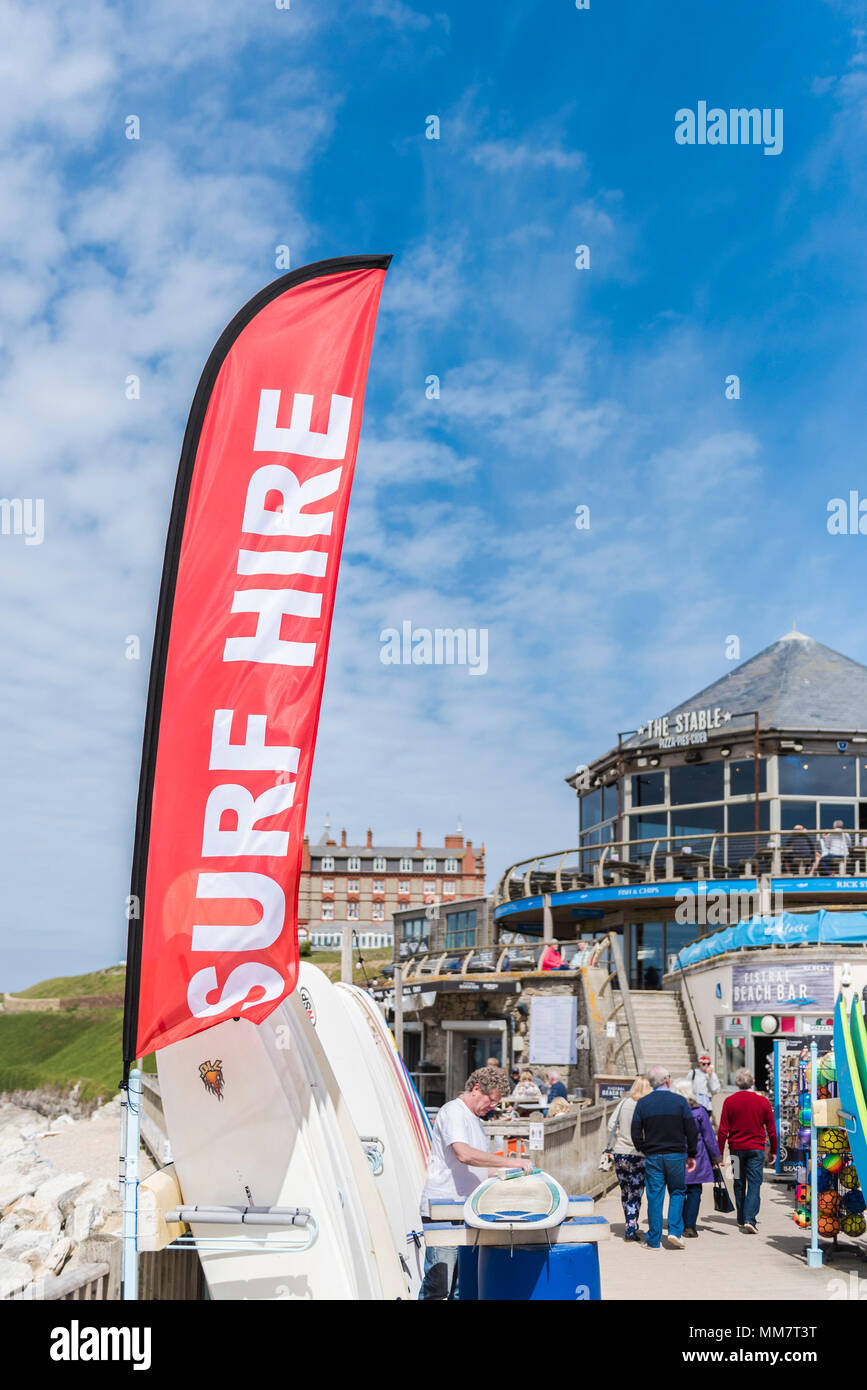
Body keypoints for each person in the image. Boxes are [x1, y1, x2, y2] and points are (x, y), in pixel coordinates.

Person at [419, 1066, 533, 1299]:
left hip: (467, 1210)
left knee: (462, 1288)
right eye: (492, 1101)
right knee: (439, 1287)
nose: (492, 1107)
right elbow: (464, 1154)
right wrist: (509, 1164)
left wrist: (513, 1176)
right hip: (445, 1209)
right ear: (476, 1089)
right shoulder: (454, 1112)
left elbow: (481, 1169)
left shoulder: (475, 1122)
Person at [631, 1064, 697, 1250]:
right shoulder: (680, 1102)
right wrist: (692, 1154)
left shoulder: (643, 1103)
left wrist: (643, 1149)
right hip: (676, 1155)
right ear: (667, 1080)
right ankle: (675, 1232)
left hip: (653, 1155)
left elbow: (635, 1132)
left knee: (655, 1196)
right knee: (677, 1192)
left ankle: (653, 1240)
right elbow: (691, 1131)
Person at [717, 1067, 777, 1234]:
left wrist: (719, 1153)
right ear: (754, 1082)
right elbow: (771, 1129)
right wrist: (774, 1149)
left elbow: (723, 1130)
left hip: (735, 1148)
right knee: (755, 1183)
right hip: (756, 1149)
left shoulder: (729, 1101)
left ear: (736, 1083)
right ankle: (750, 1218)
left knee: (738, 1181)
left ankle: (742, 1216)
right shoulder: (763, 1102)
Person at [671, 1078, 722, 1237]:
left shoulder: (671, 1111)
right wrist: (716, 1157)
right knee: (694, 1191)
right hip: (696, 1156)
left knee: (677, 1190)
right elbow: (709, 1136)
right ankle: (690, 1225)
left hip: (676, 1154)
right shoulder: (699, 1111)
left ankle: (678, 1222)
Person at [607, 1076, 652, 1243]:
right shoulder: (645, 1106)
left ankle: (629, 1221)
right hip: (637, 1154)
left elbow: (611, 1125)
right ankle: (630, 1227)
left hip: (620, 1152)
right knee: (636, 1191)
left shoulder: (624, 1103)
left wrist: (622, 1136)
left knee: (625, 1190)